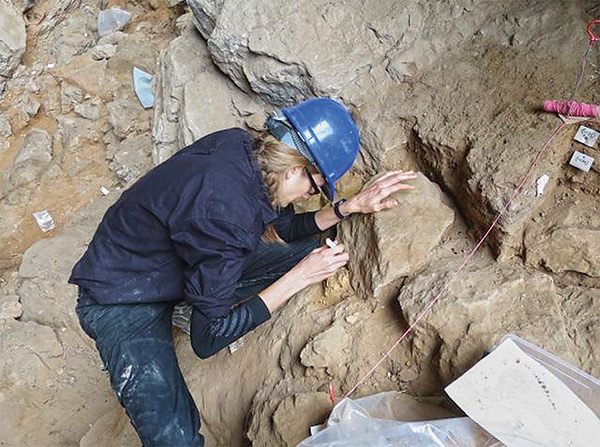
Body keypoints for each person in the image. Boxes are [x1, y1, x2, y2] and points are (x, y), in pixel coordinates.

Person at [70, 97, 417, 446]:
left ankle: (196, 297)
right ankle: (185, 308)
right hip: (120, 297)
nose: (307, 196)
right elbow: (208, 339)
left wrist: (347, 208)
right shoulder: (225, 215)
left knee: (309, 250)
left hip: (166, 260)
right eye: (313, 188)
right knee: (175, 438)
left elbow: (281, 229)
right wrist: (298, 278)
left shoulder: (244, 149)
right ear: (295, 169)